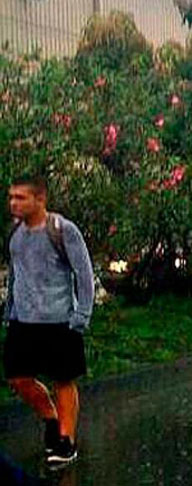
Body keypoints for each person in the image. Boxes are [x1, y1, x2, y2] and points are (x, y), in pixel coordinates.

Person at [4, 176, 94, 468]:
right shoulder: (15, 233)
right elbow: (17, 274)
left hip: (59, 321)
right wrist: (10, 311)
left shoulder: (62, 230)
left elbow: (84, 273)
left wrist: (82, 315)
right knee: (18, 379)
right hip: (23, 321)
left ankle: (66, 442)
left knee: (63, 381)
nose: (13, 203)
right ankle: (51, 419)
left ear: (40, 199)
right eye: (11, 197)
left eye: (20, 197)